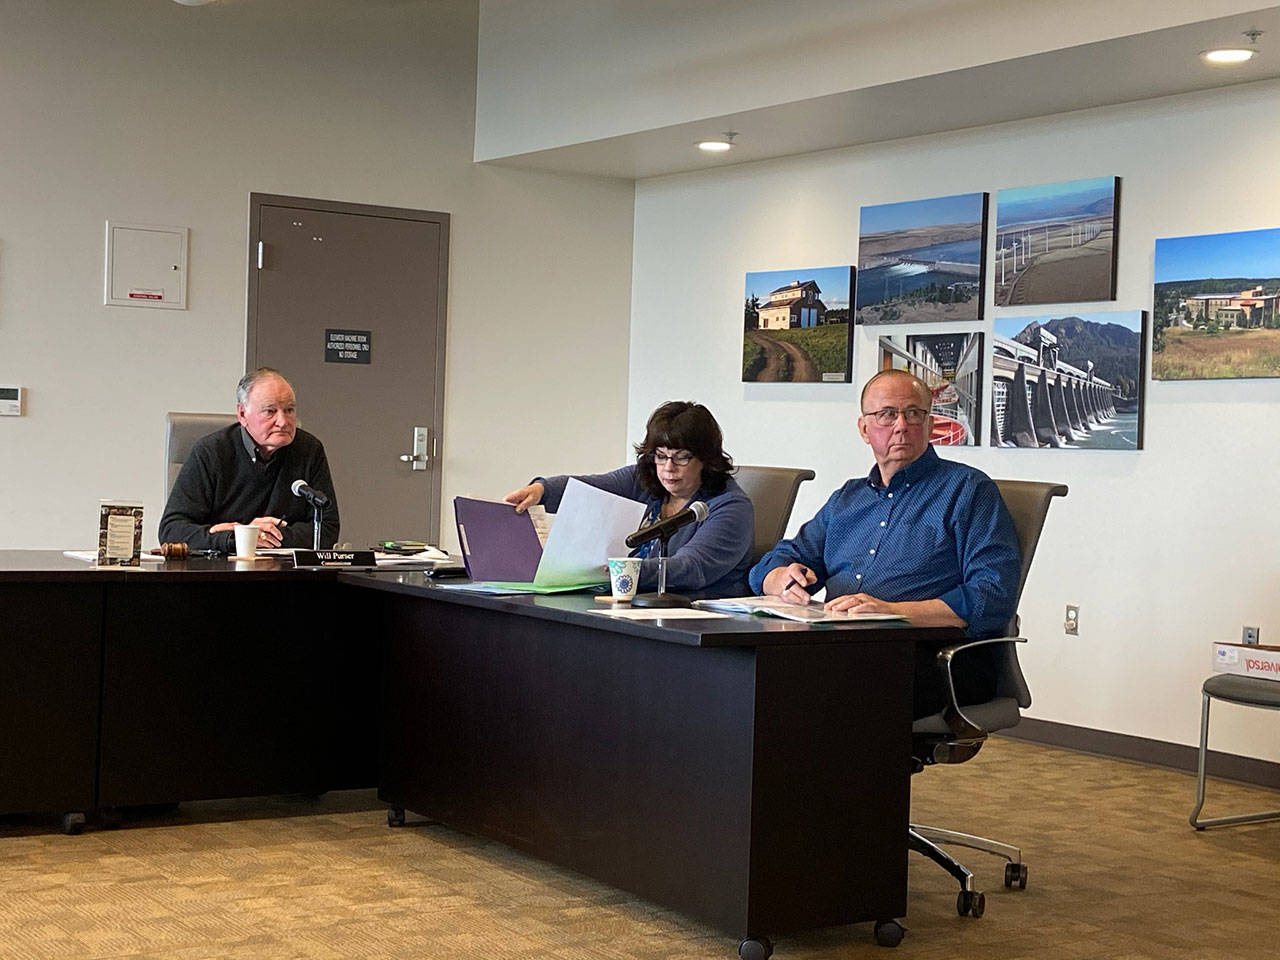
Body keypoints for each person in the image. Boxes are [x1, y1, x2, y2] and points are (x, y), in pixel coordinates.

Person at [748, 369, 1020, 717]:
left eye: (913, 413)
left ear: (930, 424)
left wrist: (893, 612)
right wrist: (780, 579)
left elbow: (992, 595)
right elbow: (779, 559)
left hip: (933, 657)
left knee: (810, 689)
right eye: (887, 414)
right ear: (864, 429)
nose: (901, 425)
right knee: (748, 673)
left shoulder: (967, 490)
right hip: (842, 646)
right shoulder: (847, 499)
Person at [504, 401, 754, 599]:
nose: (668, 468)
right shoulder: (643, 479)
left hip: (698, 620)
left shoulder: (731, 507)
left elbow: (692, 568)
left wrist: (620, 570)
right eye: (660, 456)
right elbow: (589, 489)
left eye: (681, 457)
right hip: (633, 605)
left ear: (706, 460)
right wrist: (542, 490)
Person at [159, 368, 340, 553]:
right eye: (270, 411)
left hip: (285, 567)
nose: (283, 421)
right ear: (242, 414)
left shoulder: (309, 449)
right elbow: (171, 531)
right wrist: (236, 537)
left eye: (289, 410)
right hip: (221, 567)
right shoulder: (210, 452)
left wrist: (265, 536)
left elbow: (327, 528)